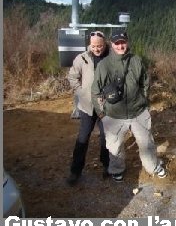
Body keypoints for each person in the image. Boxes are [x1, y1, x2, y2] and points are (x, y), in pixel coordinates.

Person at [93, 31, 167, 181]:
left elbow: (145, 83)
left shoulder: (136, 60)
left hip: (137, 112)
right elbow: (96, 91)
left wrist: (144, 102)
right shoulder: (104, 65)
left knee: (146, 143)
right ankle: (116, 170)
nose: (120, 45)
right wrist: (101, 113)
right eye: (117, 43)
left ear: (127, 42)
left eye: (123, 42)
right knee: (115, 146)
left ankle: (153, 166)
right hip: (113, 115)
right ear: (111, 44)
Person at [66, 31, 111, 185]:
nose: (97, 49)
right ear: (89, 45)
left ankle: (107, 166)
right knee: (83, 138)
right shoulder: (82, 58)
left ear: (105, 44)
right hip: (87, 106)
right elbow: (72, 77)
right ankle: (75, 171)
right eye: (94, 46)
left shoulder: (111, 57)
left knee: (106, 138)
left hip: (106, 107)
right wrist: (81, 92)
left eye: (100, 46)